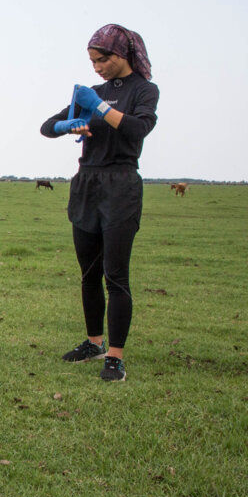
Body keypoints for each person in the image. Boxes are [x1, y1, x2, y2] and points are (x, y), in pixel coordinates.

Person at [41, 24, 159, 383]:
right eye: (92, 61)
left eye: (101, 60)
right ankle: (93, 342)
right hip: (87, 183)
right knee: (89, 273)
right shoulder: (91, 91)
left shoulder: (145, 91)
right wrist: (69, 125)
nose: (96, 68)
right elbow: (47, 126)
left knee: (115, 276)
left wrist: (101, 108)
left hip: (121, 184)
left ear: (121, 55)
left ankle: (115, 357)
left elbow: (139, 129)